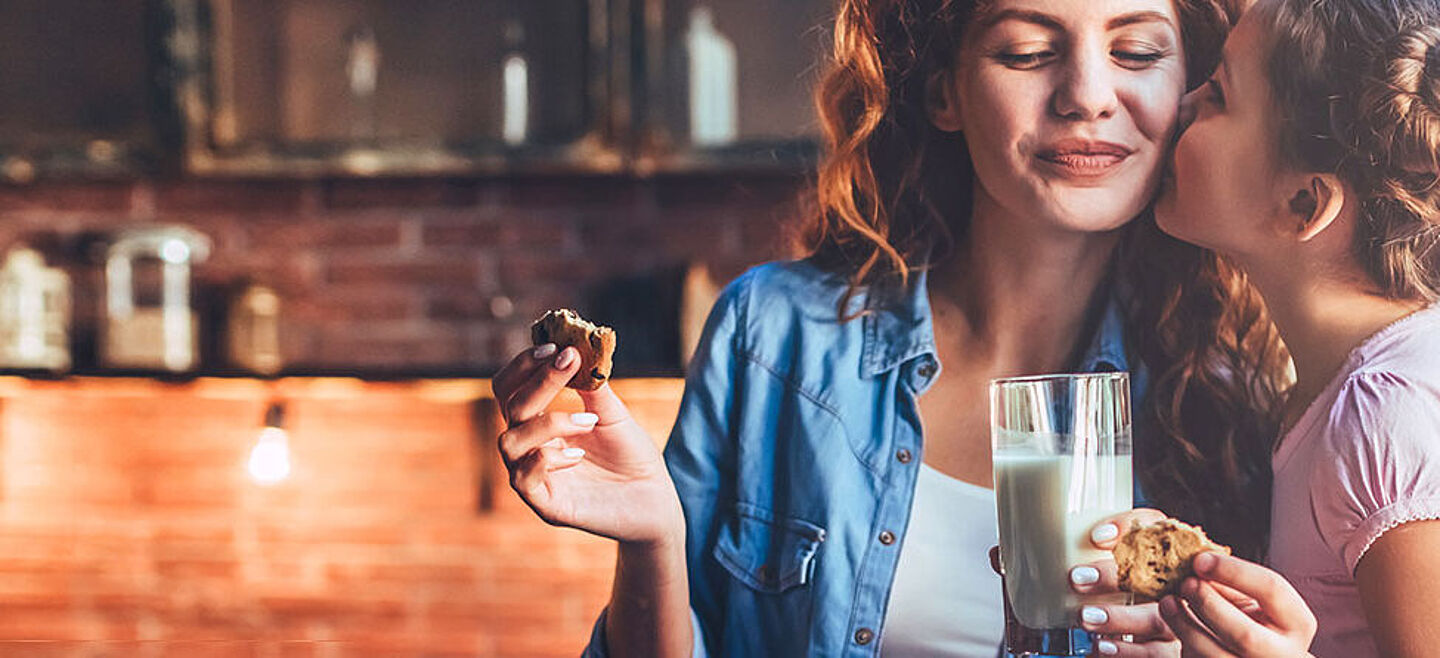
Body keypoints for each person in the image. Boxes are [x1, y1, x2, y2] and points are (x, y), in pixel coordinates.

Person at [491, 0, 1287, 655]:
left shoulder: (1225, 401)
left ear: (1191, 90)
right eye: (1024, 52)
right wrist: (656, 538)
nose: (1087, 93)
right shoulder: (773, 334)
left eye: (1139, 52)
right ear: (944, 93)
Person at [1071, 0, 1440, 655]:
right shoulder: (1334, 387)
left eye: (1216, 95)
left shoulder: (1385, 411)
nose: (1179, 105)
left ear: (1303, 203)